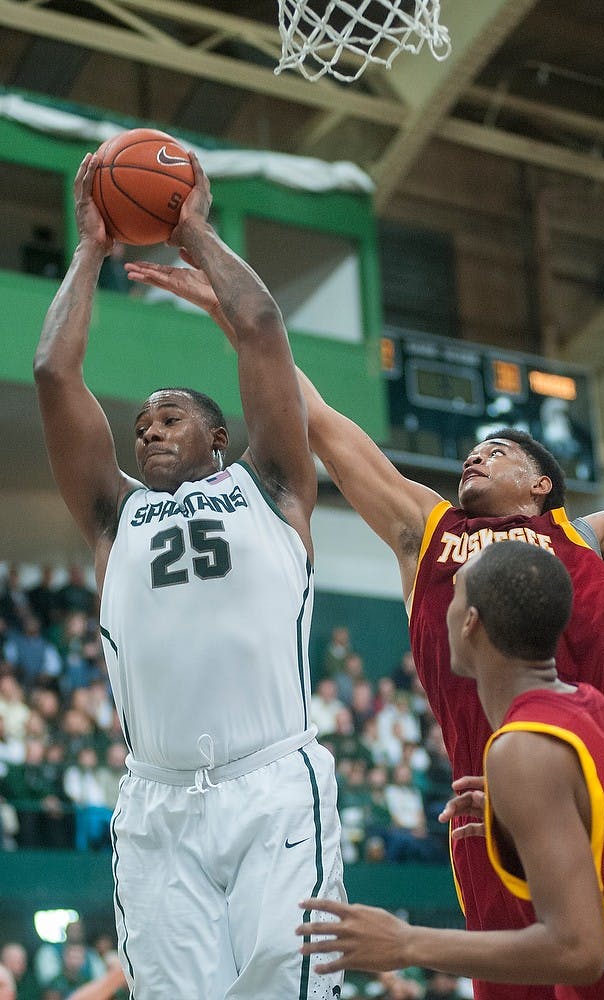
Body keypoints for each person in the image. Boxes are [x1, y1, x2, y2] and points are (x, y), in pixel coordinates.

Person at [120, 246, 604, 1000]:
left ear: (541, 485)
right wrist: (229, 314)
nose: (473, 459)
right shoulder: (425, 527)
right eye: (469, 453)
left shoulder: (589, 537)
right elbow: (317, 421)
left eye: (495, 453)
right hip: (491, 793)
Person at [33, 149, 344, 1000]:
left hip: (272, 784)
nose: (148, 431)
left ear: (219, 438)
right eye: (140, 423)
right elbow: (53, 375)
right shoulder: (114, 515)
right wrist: (90, 249)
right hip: (157, 801)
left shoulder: (271, 486)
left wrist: (193, 229)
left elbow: (263, 330)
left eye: (170, 417)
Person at [297, 542, 604, 998]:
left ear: (470, 621)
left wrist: (407, 942)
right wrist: (543, 808)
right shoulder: (594, 709)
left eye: (453, 598)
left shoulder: (523, 749)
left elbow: (577, 951)